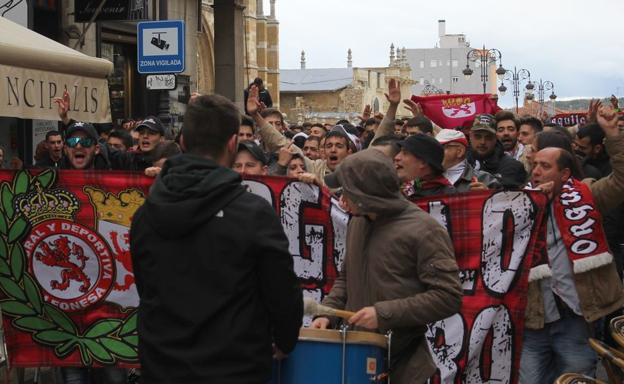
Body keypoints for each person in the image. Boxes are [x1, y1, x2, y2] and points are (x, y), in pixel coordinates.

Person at [130, 94, 302, 384]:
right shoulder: (254, 215)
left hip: (162, 366)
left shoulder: (146, 214)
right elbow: (283, 295)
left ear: (182, 142)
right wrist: (284, 341)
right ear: (233, 144)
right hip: (235, 368)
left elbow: (146, 288)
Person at [311, 148, 462, 384]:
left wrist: (383, 314)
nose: (342, 198)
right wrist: (327, 313)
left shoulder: (425, 230)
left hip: (405, 366)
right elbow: (346, 278)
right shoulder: (357, 223)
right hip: (356, 359)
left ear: (366, 194)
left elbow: (448, 297)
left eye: (347, 191)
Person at [520, 106, 624, 383]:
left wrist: (613, 134)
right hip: (533, 318)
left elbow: (621, 180)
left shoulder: (587, 196)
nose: (536, 172)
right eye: (534, 166)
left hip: (575, 318)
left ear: (565, 174)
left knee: (576, 378)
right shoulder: (517, 204)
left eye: (545, 166)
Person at [467, 114, 527, 188]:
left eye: (488, 137)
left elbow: (514, 197)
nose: (482, 142)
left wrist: (490, 194)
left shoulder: (512, 167)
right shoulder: (459, 163)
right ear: (470, 136)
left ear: (496, 138)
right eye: (478, 136)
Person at [435, 129, 500, 192]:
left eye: (441, 148)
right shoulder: (428, 179)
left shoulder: (483, 179)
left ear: (460, 151)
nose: (435, 152)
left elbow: (505, 201)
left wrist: (487, 195)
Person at [394, 134, 456, 199]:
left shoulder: (447, 197)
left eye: (405, 153)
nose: (396, 157)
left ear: (423, 162)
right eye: (399, 152)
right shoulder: (406, 187)